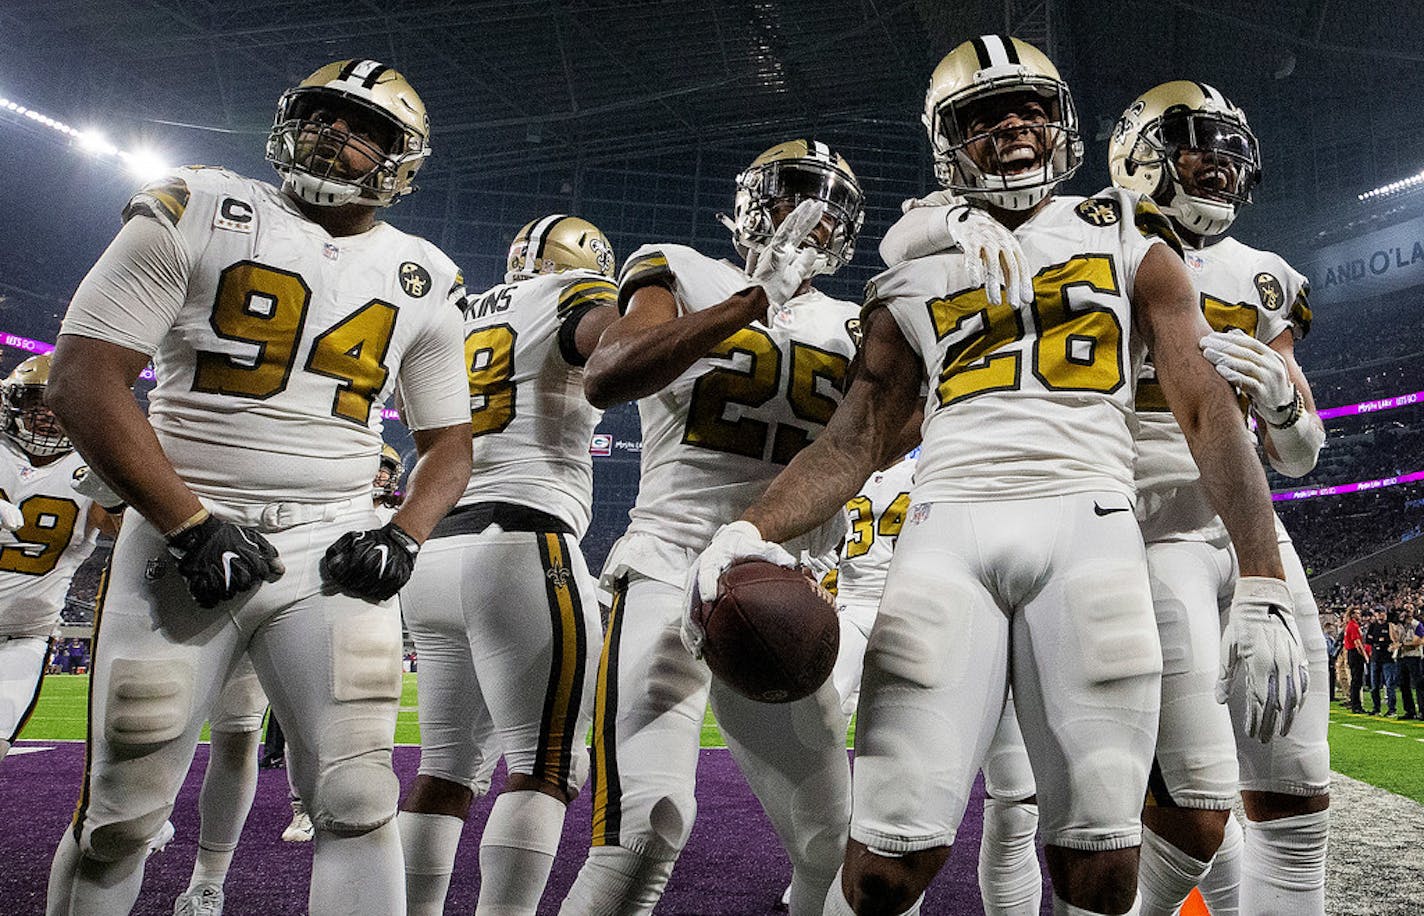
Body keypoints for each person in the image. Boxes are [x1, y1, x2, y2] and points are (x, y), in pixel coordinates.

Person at [694, 35, 1302, 916]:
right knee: (883, 869)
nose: (1013, 125)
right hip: (947, 529)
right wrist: (750, 529)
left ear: (1062, 126)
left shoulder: (1135, 235)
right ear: (949, 140)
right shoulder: (912, 262)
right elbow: (855, 438)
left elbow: (1205, 410)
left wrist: (1264, 577)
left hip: (1090, 524)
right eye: (985, 114)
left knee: (1099, 870)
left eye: (1030, 109)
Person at [43, 58, 472, 916]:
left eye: (361, 129)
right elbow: (83, 378)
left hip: (332, 546)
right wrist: (190, 524)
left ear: (401, 161)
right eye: (320, 115)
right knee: (122, 815)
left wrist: (406, 532)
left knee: (356, 803)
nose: (332, 134)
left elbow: (450, 447)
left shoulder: (425, 272)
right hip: (182, 530)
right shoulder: (197, 205)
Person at [560, 140, 868, 916]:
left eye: (823, 198)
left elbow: (885, 432)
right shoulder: (683, 268)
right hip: (670, 563)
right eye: (788, 192)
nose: (805, 213)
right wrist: (745, 303)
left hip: (784, 586)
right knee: (646, 830)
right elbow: (609, 374)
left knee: (835, 847)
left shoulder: (856, 322)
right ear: (749, 201)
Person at [397, 214, 620, 915]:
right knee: (547, 764)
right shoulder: (575, 294)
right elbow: (621, 350)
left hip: (435, 549)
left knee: (444, 770)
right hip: (523, 539)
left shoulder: (461, 314)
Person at [0, 354, 121, 761]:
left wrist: (117, 495)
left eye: (57, 405)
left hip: (21, 634)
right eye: (36, 404)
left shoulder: (92, 464)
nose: (48, 416)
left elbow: (130, 536)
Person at [1395, 606, 1423, 719]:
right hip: (1402, 657)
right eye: (1405, 609)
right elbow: (1395, 639)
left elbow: (1417, 642)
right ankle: (1410, 711)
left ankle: (1422, 711)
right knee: (1403, 685)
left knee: (1419, 685)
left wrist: (1401, 645)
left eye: (1410, 609)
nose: (1407, 611)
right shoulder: (1400, 625)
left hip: (1414, 657)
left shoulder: (1417, 624)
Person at [1367, 608, 1396, 715]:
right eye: (1378, 613)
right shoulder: (1373, 626)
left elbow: (1391, 639)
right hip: (1375, 658)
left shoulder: (1389, 625)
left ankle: (1392, 709)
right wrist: (1380, 641)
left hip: (1387, 658)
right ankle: (1376, 708)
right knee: (1374, 686)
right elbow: (1369, 640)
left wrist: (1379, 641)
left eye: (1382, 613)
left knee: (1389, 684)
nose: (1380, 615)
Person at [1345, 607, 1367, 712]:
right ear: (1353, 615)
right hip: (1354, 654)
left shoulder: (1350, 625)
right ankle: (1356, 705)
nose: (1359, 615)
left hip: (1351, 653)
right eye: (1357, 613)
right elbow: (1357, 643)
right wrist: (1365, 655)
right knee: (1356, 681)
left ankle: (1355, 704)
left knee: (1355, 680)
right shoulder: (1353, 626)